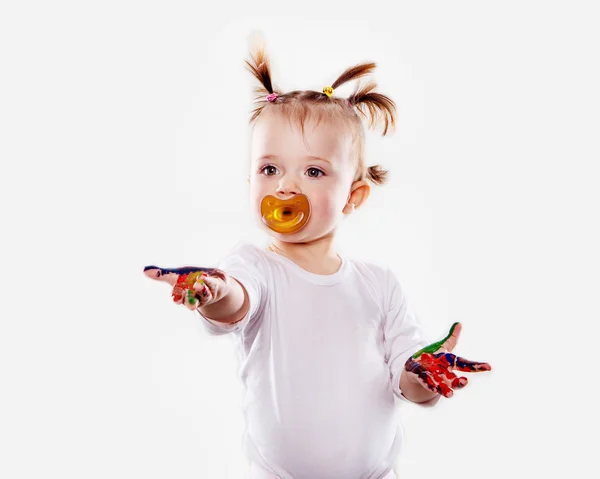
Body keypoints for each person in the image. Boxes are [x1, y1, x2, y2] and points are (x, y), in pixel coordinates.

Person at [144, 44, 492, 479]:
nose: (286, 187)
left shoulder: (379, 285)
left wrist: (423, 374)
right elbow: (236, 302)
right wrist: (213, 288)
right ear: (251, 179)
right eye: (270, 169)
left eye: (313, 172)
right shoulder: (254, 267)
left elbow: (408, 383)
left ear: (353, 195)